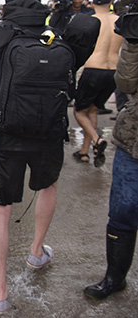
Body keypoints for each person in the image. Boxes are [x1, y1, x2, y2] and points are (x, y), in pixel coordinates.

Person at [0, 0, 71, 313]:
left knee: (0, 210)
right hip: (49, 130)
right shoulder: (55, 33)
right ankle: (37, 252)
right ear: (38, 0)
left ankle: (2, 292)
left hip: (6, 134)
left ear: (8, 1)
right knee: (48, 186)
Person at [84, 36, 138, 300]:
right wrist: (132, 42)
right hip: (133, 139)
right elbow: (126, 83)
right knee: (122, 211)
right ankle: (114, 278)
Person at [72, 0, 123, 165]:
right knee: (93, 110)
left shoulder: (91, 21)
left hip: (94, 68)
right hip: (113, 70)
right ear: (110, 3)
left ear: (92, 4)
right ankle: (85, 151)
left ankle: (96, 139)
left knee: (79, 111)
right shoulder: (120, 21)